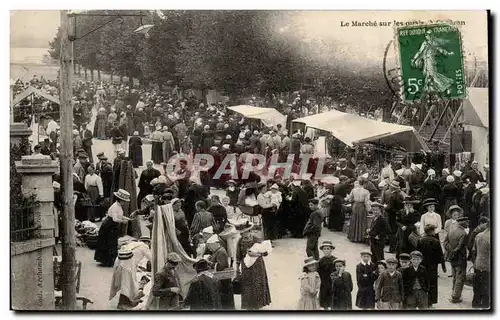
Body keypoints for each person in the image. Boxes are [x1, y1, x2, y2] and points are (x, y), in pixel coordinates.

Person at [94, 189, 133, 267]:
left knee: (111, 242)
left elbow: (119, 215)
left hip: (111, 225)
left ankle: (109, 260)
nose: (125, 203)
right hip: (109, 225)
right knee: (109, 242)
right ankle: (107, 261)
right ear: (121, 200)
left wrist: (127, 218)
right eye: (124, 201)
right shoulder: (116, 207)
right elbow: (115, 219)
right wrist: (123, 221)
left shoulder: (117, 205)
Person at [415, 224, 443, 308]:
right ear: (431, 231)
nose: (434, 232)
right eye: (434, 230)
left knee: (423, 283)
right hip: (433, 267)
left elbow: (417, 254)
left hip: (422, 265)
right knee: (432, 284)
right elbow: (440, 256)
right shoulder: (436, 241)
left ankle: (423, 301)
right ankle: (430, 302)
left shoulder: (420, 240)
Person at [240, 242, 272, 310]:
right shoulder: (241, 241)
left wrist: (261, 253)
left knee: (257, 284)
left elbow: (265, 251)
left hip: (257, 264)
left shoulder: (255, 239)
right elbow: (241, 254)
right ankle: (250, 305)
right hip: (247, 265)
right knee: (248, 285)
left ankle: (257, 304)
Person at [206, 235, 235, 309]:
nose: (209, 248)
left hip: (223, 279)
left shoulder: (220, 252)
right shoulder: (218, 251)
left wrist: (209, 263)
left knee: (225, 299)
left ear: (215, 244)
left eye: (210, 246)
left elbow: (220, 266)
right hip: (222, 279)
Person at [445, 216, 469, 303]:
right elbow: (460, 247)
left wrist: (450, 252)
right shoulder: (464, 234)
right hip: (460, 259)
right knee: (460, 278)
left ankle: (453, 293)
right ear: (463, 223)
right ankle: (456, 297)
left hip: (452, 258)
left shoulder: (451, 231)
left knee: (455, 276)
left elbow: (445, 243)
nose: (468, 224)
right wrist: (454, 252)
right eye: (466, 222)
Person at [471, 221, 490, 309]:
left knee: (477, 286)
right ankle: (485, 305)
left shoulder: (479, 235)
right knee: (487, 286)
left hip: (478, 264)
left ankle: (475, 303)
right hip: (488, 265)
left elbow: (473, 250)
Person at [318, 240, 337, 310]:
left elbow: (338, 271)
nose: (326, 251)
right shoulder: (320, 261)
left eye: (328, 249)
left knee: (333, 299)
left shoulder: (335, 260)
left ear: (331, 249)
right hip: (324, 283)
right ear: (322, 250)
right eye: (324, 249)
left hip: (332, 283)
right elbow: (318, 272)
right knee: (324, 300)